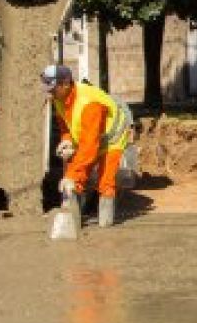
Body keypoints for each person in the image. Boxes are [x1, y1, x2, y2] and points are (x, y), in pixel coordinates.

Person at [43, 64, 132, 228]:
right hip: (89, 136)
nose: (49, 93)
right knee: (76, 177)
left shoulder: (89, 104)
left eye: (53, 88)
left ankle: (106, 223)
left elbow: (89, 149)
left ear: (65, 83)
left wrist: (70, 176)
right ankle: (74, 218)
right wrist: (67, 139)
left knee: (105, 180)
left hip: (113, 136)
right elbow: (66, 125)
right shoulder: (59, 99)